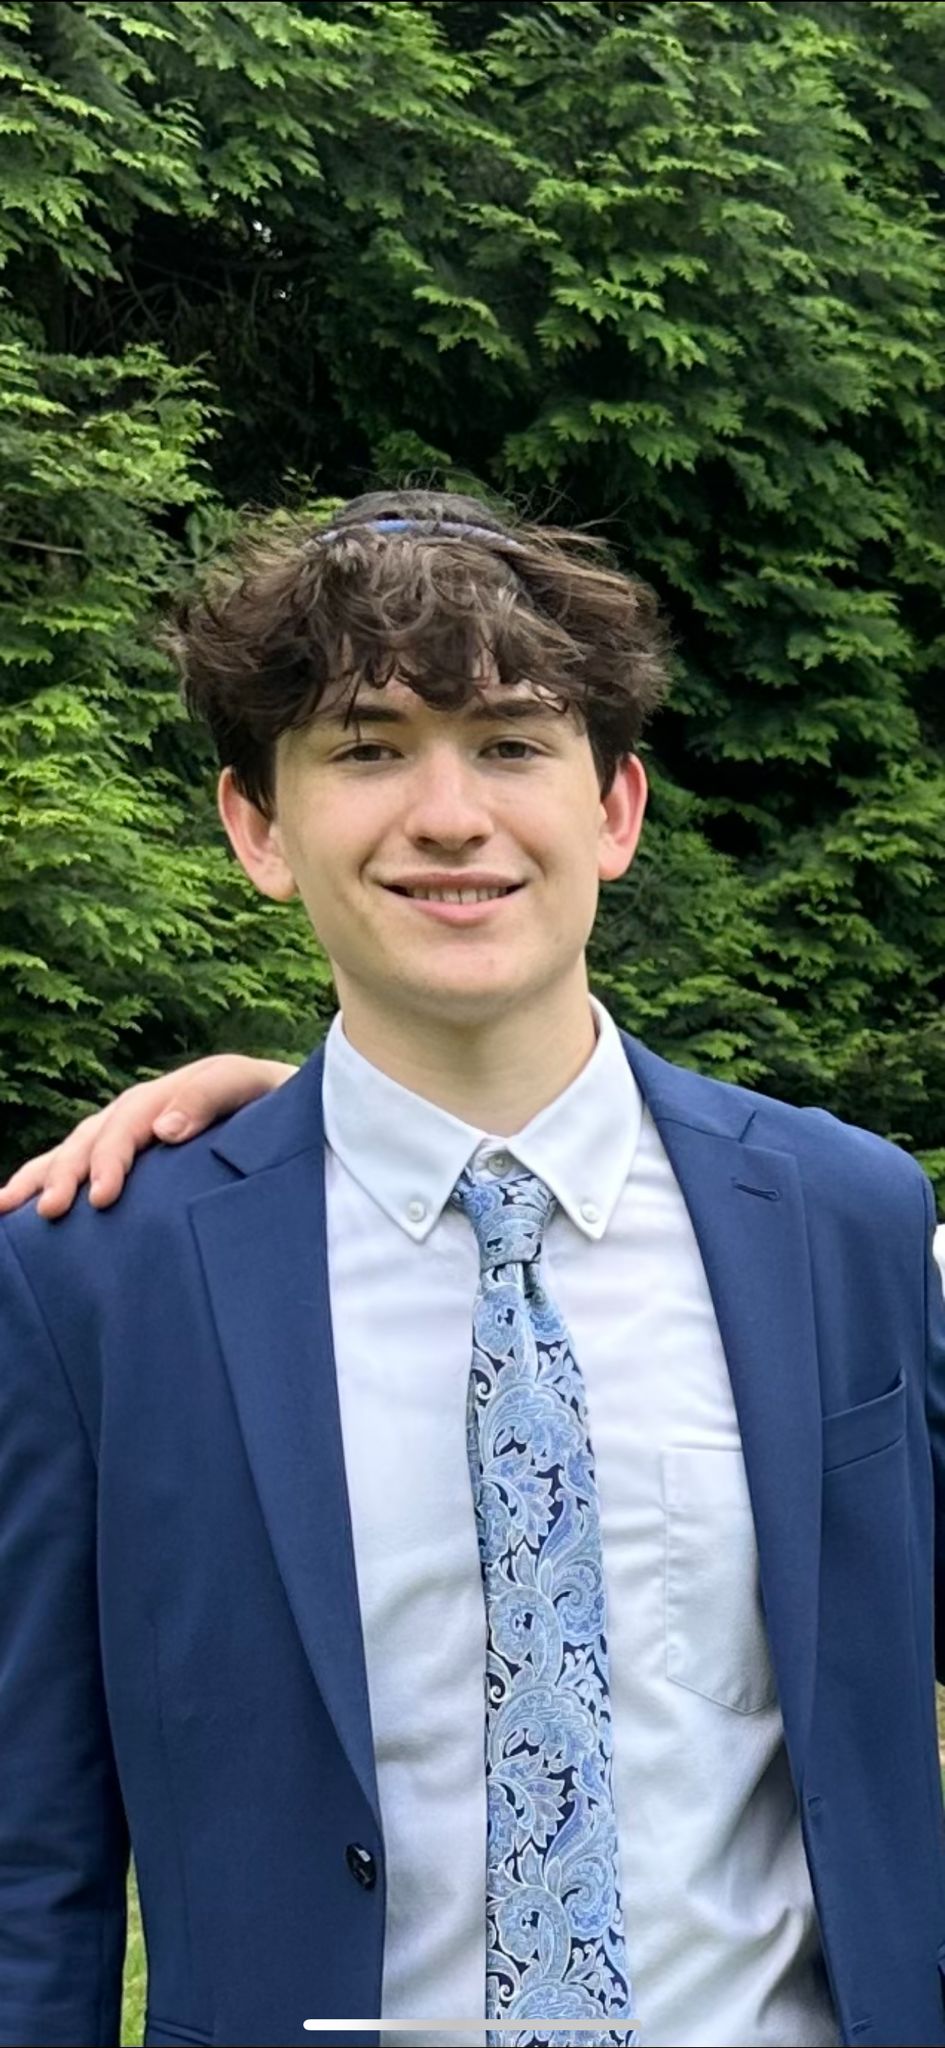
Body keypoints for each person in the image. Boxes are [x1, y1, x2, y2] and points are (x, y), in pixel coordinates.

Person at [1, 488, 944, 2048]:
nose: (448, 814)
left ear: (615, 811)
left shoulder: (841, 1220)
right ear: (257, 826)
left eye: (510, 743)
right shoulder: (99, 1278)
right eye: (367, 750)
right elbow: (29, 1866)